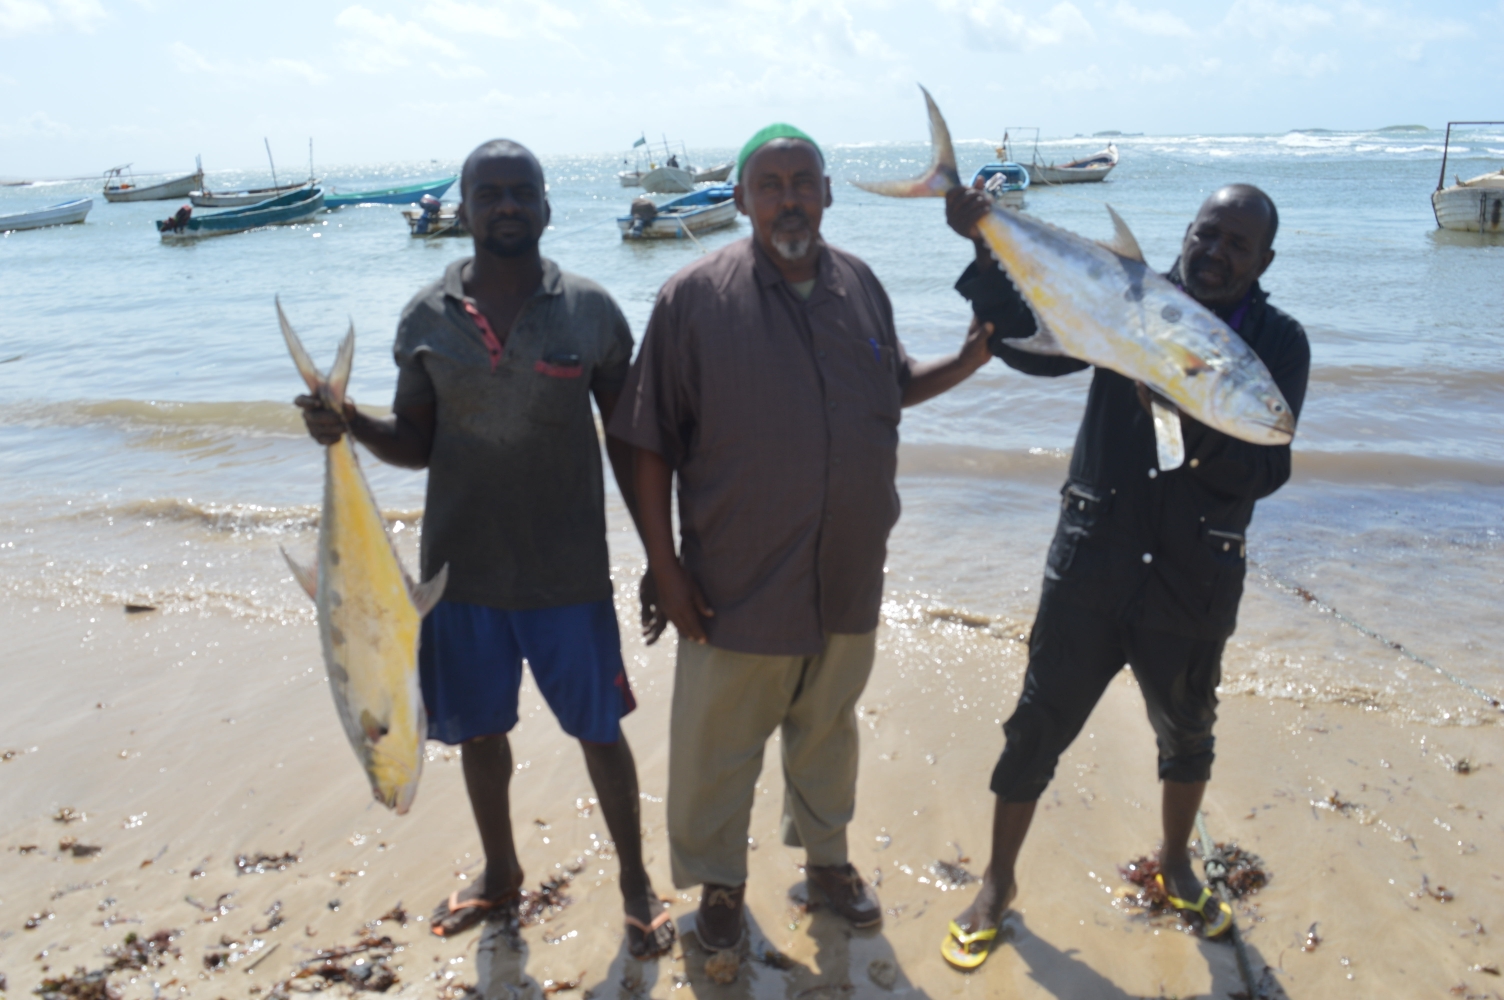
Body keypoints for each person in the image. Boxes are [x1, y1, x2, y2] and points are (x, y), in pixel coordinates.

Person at [608, 124, 992, 959]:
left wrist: (962, 364)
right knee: (718, 748)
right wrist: (664, 568)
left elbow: (890, 386)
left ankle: (826, 865)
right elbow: (647, 441)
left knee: (828, 732)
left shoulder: (860, 285)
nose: (789, 198)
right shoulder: (692, 298)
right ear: (741, 198)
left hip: (848, 574)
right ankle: (718, 884)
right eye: (770, 183)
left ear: (826, 191)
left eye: (803, 181)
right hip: (736, 581)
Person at [295, 139, 675, 959]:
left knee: (600, 729)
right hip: (458, 577)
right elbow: (416, 444)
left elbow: (630, 440)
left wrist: (658, 554)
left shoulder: (593, 311)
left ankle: (638, 882)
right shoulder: (423, 320)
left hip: (569, 574)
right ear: (463, 208)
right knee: (477, 734)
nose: (506, 205)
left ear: (546, 206)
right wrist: (347, 421)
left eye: (522, 191)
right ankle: (501, 869)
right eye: (489, 193)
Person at [937, 184, 1310, 969]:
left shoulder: (1280, 343)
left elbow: (1268, 466)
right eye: (1207, 234)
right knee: (1035, 726)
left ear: (1264, 259)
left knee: (1188, 735)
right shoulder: (1131, 299)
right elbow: (1029, 346)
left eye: (1237, 244)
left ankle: (1177, 864)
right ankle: (997, 885)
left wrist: (1182, 405)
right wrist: (982, 241)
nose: (1216, 252)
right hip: (1093, 561)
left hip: (1192, 581)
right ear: (1188, 232)